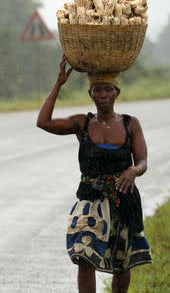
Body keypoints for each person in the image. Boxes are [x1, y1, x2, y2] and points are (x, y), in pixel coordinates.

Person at [36, 55, 152, 293]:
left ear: (117, 92)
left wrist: (133, 170)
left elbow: (142, 161)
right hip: (90, 200)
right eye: (97, 90)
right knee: (83, 256)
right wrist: (58, 84)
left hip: (123, 199)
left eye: (108, 89)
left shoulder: (131, 124)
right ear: (90, 94)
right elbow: (43, 122)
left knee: (122, 263)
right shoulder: (83, 123)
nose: (103, 95)